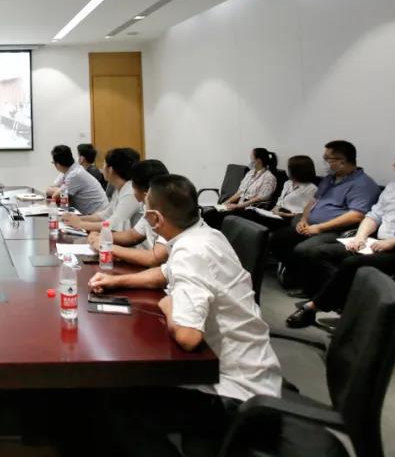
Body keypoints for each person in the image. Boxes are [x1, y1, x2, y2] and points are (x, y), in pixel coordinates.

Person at [102, 175, 282, 457]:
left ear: (156, 219)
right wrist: (117, 282)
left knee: (115, 407)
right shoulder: (206, 234)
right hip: (251, 372)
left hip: (233, 395)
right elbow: (165, 273)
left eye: (146, 212)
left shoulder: (191, 252)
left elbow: (188, 337)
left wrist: (168, 305)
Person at [286, 142, 395, 328]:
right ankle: (343, 305)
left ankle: (314, 307)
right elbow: (373, 216)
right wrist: (360, 237)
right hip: (377, 243)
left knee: (352, 263)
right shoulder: (393, 188)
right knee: (318, 253)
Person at [270, 140, 378, 289]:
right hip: (311, 225)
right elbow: (313, 201)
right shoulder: (330, 179)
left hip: (335, 231)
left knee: (304, 249)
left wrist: (319, 228)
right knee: (278, 238)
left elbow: (356, 215)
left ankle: (312, 287)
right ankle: (296, 275)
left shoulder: (363, 184)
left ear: (342, 162)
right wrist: (304, 219)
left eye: (328, 159)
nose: (325, 163)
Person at [86, 159, 172, 270]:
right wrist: (102, 237)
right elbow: (132, 235)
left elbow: (153, 257)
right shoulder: (150, 206)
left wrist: (108, 247)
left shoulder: (169, 213)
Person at [64, 147, 140, 233]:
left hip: (130, 240)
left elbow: (113, 224)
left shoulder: (130, 192)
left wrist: (80, 224)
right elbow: (104, 215)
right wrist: (79, 219)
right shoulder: (120, 189)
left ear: (110, 170)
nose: (102, 168)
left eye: (104, 164)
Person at [202, 148, 278, 229]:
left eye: (251, 158)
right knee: (209, 213)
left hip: (249, 210)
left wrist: (238, 206)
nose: (250, 161)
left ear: (258, 160)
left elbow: (260, 198)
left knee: (216, 217)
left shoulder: (269, 177)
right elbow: (239, 193)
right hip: (239, 206)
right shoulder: (250, 173)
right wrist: (225, 204)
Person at [44, 144, 109, 215]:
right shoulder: (69, 170)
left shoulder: (75, 174)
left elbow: (56, 195)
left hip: (99, 214)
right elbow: (49, 190)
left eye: (53, 163)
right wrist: (61, 190)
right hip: (89, 213)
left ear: (58, 164)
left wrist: (60, 190)